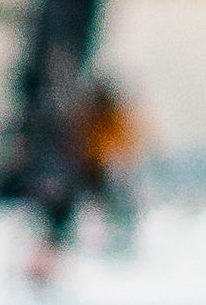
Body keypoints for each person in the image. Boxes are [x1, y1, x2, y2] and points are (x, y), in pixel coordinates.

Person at [24, 82, 149, 290]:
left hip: (91, 172)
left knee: (63, 217)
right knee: (61, 217)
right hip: (84, 172)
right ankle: (46, 263)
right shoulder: (92, 120)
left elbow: (116, 149)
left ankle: (49, 261)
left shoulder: (101, 120)